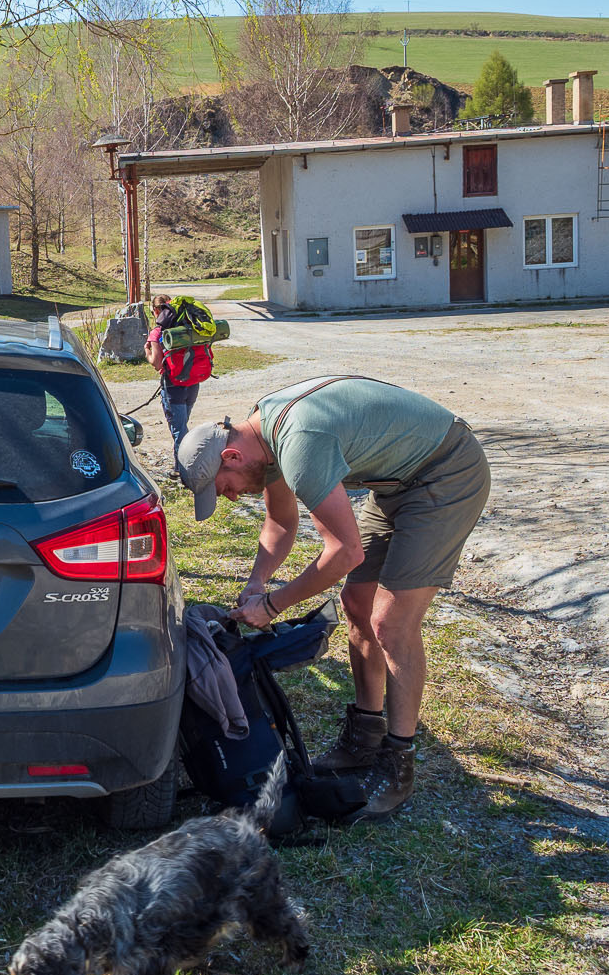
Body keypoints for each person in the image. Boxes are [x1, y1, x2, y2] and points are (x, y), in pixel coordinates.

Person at [174, 376, 491, 821]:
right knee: (357, 605)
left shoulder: (298, 444)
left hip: (447, 472)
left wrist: (274, 605)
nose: (227, 496)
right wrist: (256, 584)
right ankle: (364, 737)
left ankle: (397, 766)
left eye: (222, 486)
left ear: (231, 455)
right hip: (399, 482)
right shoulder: (263, 437)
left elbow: (345, 551)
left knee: (390, 622)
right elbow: (281, 522)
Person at [142, 293, 213, 475]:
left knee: (179, 432)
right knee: (182, 428)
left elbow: (157, 363)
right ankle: (180, 467)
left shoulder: (158, 331)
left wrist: (147, 352)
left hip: (173, 386)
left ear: (157, 310)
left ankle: (185, 471)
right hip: (193, 383)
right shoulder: (189, 326)